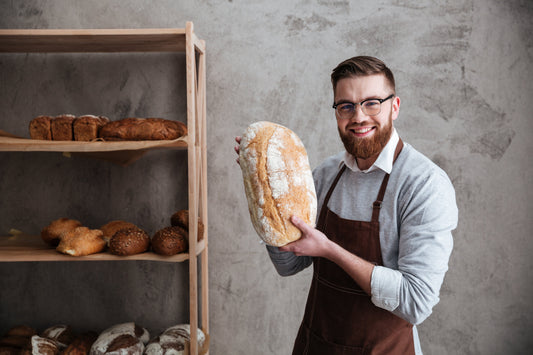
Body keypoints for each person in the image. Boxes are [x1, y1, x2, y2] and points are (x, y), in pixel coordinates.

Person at [235, 56, 458, 354]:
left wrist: (329, 250)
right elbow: (288, 264)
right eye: (346, 106)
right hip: (316, 344)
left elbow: (416, 302)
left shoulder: (424, 184)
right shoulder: (327, 175)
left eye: (372, 103)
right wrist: (262, 189)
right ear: (337, 112)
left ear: (395, 106)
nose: (359, 117)